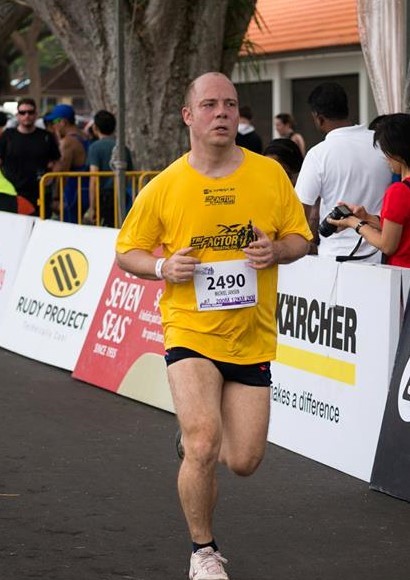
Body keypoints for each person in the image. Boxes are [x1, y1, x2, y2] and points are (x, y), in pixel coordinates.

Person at [116, 71, 312, 580]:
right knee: (205, 441)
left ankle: (191, 443)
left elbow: (300, 239)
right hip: (190, 330)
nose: (222, 112)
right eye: (209, 104)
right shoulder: (165, 186)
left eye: (229, 103)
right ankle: (203, 551)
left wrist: (276, 251)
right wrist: (164, 266)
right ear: (188, 115)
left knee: (244, 460)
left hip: (251, 335)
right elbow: (127, 252)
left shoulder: (269, 175)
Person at [295, 82, 392, 262]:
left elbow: (300, 212)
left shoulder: (318, 154)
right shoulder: (381, 144)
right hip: (381, 255)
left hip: (334, 258)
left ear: (318, 118)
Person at [326, 113, 410, 268]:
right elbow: (402, 230)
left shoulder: (399, 191)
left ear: (397, 153)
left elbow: (387, 245)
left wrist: (354, 222)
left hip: (402, 275)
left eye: (386, 151)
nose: (385, 158)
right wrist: (367, 218)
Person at [0, 98, 61, 216]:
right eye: (23, 112)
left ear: (36, 114)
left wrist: (51, 178)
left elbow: (57, 161)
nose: (26, 116)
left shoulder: (46, 136)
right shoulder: (8, 136)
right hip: (13, 193)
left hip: (39, 192)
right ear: (17, 115)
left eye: (30, 112)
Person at [84, 110, 133, 227]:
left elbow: (94, 178)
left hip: (104, 197)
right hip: (121, 195)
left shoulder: (95, 148)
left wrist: (92, 207)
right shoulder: (123, 148)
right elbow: (129, 175)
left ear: (95, 128)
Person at [45, 103, 89, 222]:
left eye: (54, 122)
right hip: (85, 189)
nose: (53, 126)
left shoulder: (67, 142)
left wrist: (57, 197)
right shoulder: (85, 136)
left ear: (63, 122)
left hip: (72, 192)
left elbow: (63, 173)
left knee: (69, 226)